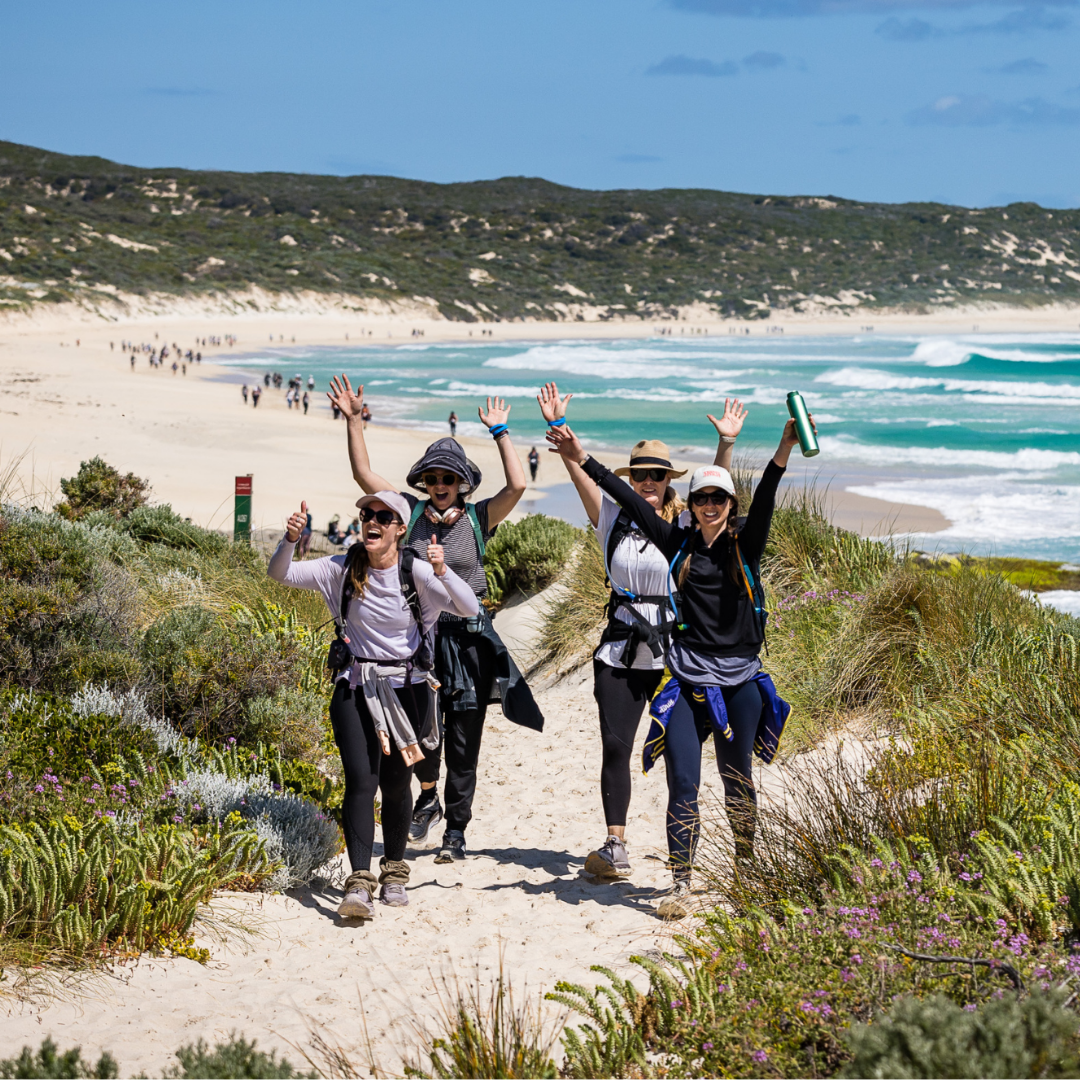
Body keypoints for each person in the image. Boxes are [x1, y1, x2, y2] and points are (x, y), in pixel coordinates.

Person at [546, 412, 805, 919]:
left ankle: (746, 869)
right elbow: (625, 499)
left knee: (737, 780)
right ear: (693, 504)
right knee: (682, 782)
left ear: (731, 505)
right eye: (702, 498)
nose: (709, 505)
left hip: (740, 682)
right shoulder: (677, 543)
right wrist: (582, 459)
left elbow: (768, 492)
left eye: (718, 499)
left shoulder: (745, 544)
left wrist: (784, 446)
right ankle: (681, 883)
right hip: (687, 682)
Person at [327, 374, 542, 866]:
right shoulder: (408, 513)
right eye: (433, 479)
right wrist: (354, 419)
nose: (440, 486)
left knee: (464, 737)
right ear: (423, 484)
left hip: (469, 641)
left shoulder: (479, 518)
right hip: (420, 640)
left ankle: (456, 831)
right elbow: (363, 474)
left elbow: (518, 485)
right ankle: (427, 797)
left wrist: (501, 432)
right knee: (422, 732)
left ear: (461, 483)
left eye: (448, 479)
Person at [538, 382, 746, 881]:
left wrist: (726, 443)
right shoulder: (610, 516)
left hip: (677, 655)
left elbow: (716, 493)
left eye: (657, 474)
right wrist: (559, 429)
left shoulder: (686, 525)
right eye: (640, 474)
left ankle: (685, 861)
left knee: (680, 758)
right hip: (620, 650)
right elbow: (579, 468)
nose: (648, 481)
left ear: (670, 480)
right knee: (616, 746)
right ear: (629, 479)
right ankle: (616, 844)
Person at [268, 493, 479, 917]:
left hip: (408, 689)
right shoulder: (341, 568)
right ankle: (359, 882)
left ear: (400, 529)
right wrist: (290, 540)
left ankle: (395, 874)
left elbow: (468, 606)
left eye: (384, 516)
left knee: (397, 784)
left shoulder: (416, 572)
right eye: (367, 515)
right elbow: (281, 573)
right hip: (355, 686)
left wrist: (442, 570)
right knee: (361, 782)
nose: (373, 521)